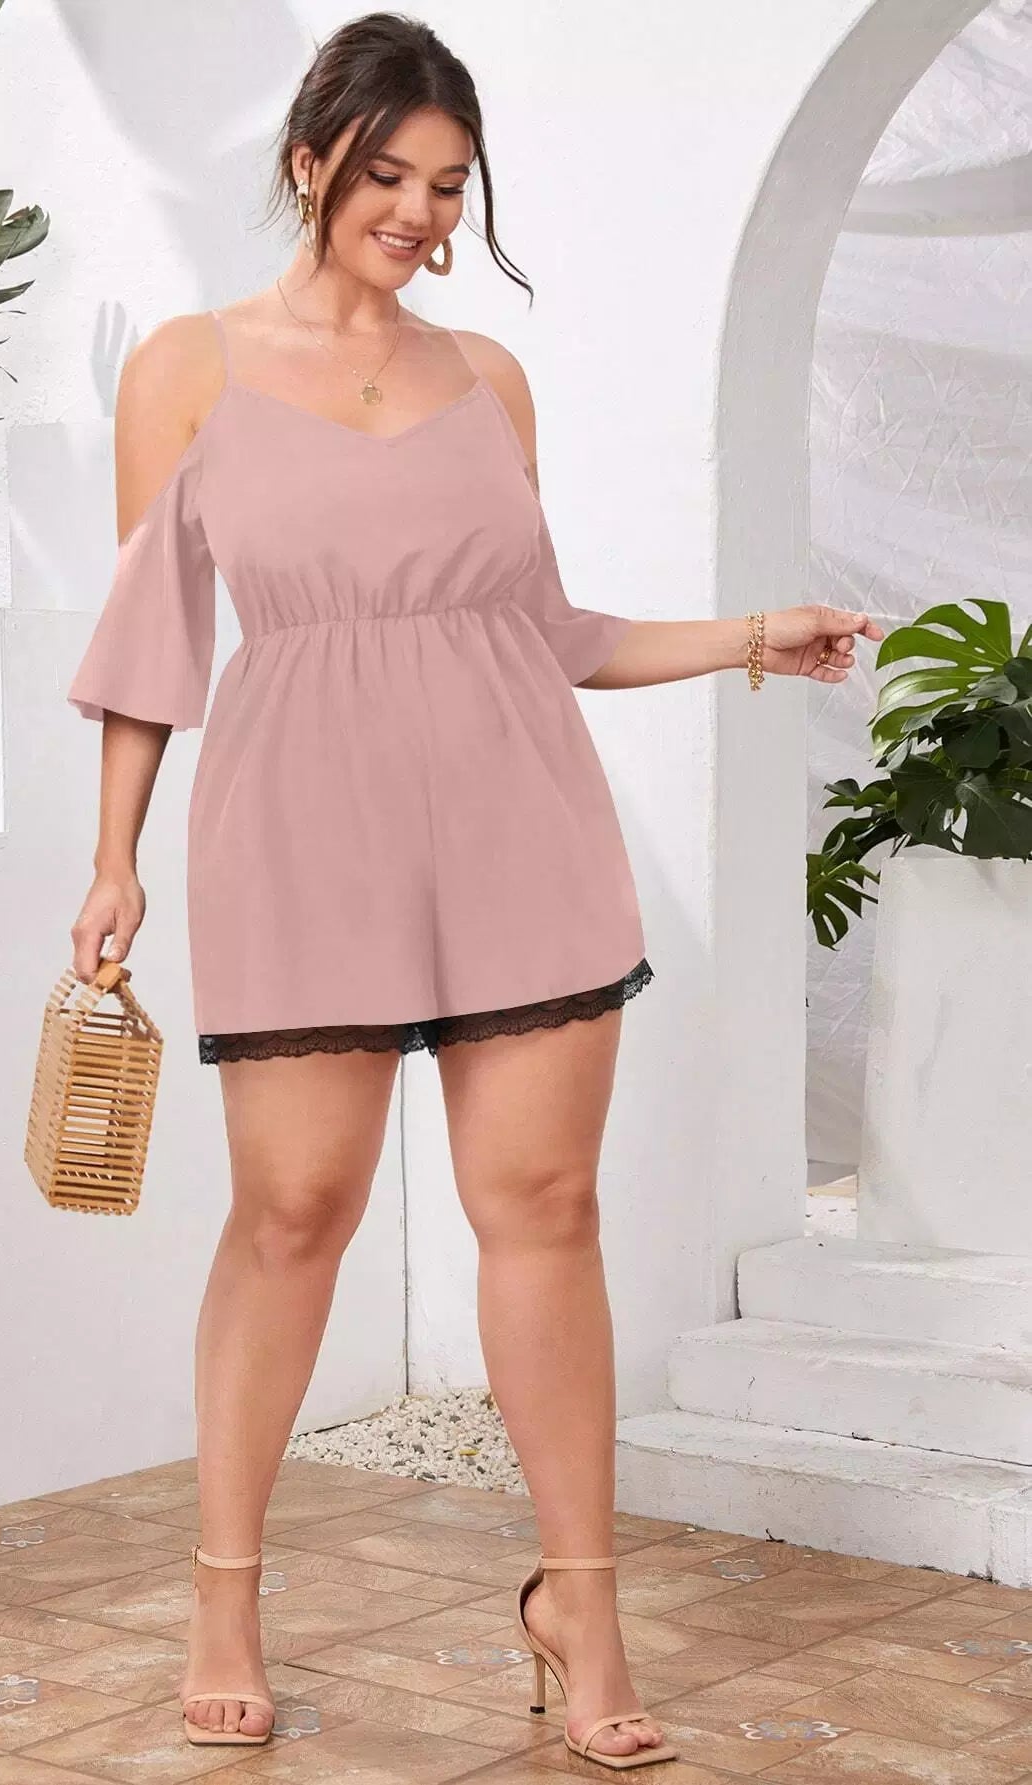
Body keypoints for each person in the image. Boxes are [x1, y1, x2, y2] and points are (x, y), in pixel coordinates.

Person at [66, 11, 883, 1768]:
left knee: (547, 1205)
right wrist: (114, 854)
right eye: (390, 175)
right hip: (298, 830)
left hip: (519, 822)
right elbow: (150, 642)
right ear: (311, 162)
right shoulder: (189, 371)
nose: (421, 213)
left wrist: (755, 633)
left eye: (449, 185)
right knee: (294, 1210)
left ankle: (582, 1606)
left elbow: (546, 631)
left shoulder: (491, 381)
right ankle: (224, 1595)